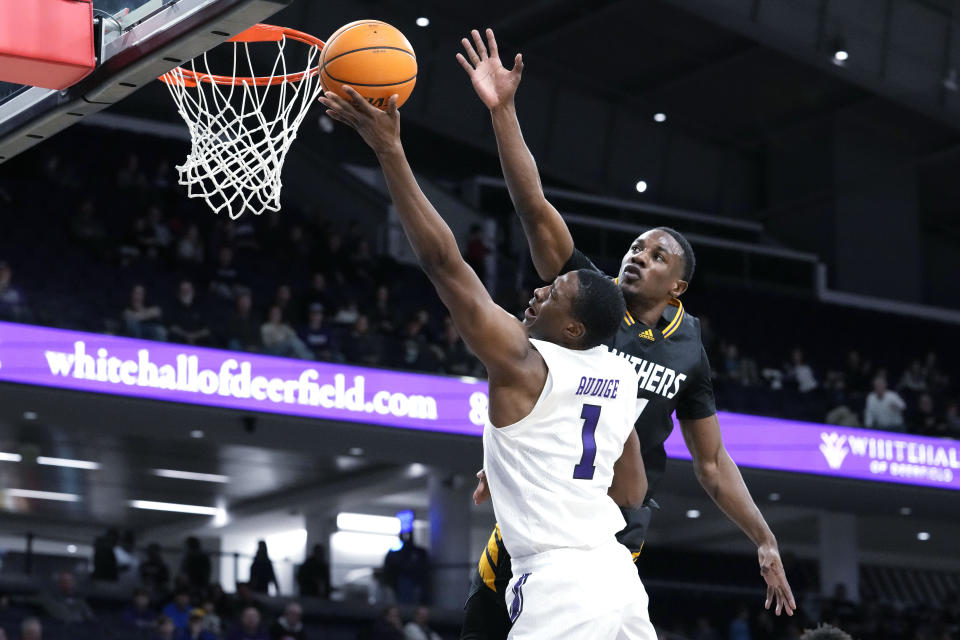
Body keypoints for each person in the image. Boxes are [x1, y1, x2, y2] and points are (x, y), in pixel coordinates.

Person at [455, 27, 795, 639]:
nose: (639, 255)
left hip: (612, 527)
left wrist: (764, 538)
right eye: (637, 246)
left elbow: (712, 464)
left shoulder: (689, 348)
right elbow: (533, 205)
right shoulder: (583, 293)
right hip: (543, 513)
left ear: (679, 286)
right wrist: (504, 112)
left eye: (658, 254)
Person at [320, 84, 652, 638]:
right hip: (619, 579)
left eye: (554, 293)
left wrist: (390, 152)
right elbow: (632, 484)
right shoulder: (620, 372)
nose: (537, 293)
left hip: (559, 585)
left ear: (572, 328)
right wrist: (516, 468)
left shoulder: (524, 363)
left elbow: (444, 264)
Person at [382, 532, 430, 606]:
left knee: (413, 599)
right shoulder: (399, 552)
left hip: (415, 580)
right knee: (405, 598)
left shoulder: (418, 552)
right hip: (404, 579)